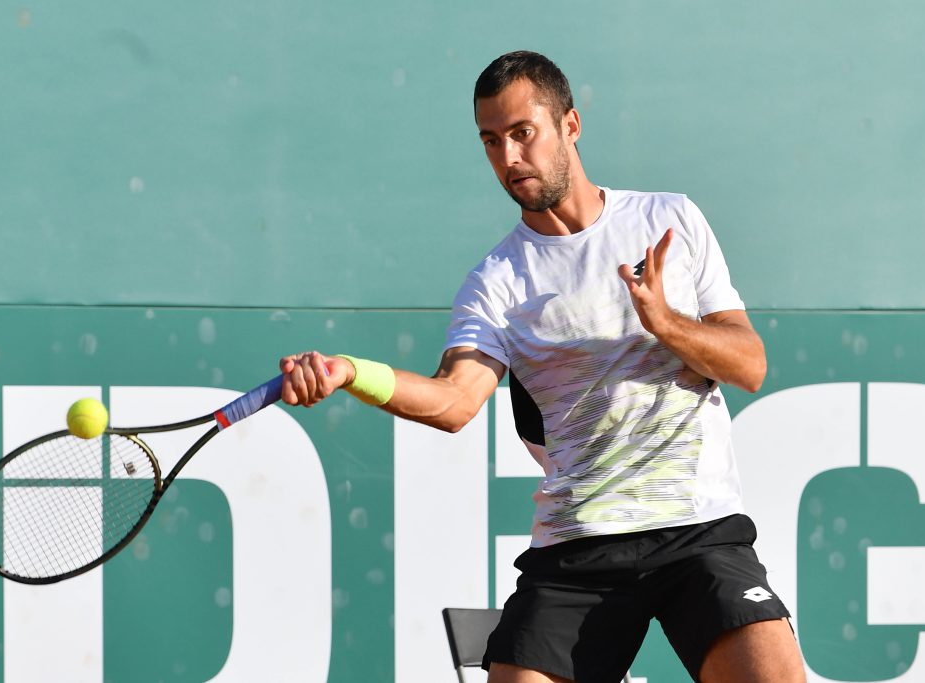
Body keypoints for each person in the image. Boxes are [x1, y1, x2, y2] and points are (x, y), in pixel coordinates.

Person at [279, 51, 806, 683]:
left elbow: (749, 365)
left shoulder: (670, 220)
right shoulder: (497, 281)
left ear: (570, 126)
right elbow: (454, 402)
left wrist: (666, 324)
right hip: (578, 546)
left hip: (699, 532)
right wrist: (348, 372)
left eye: (522, 133)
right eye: (491, 141)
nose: (508, 158)